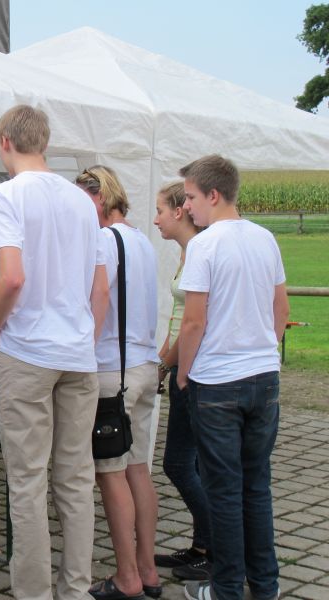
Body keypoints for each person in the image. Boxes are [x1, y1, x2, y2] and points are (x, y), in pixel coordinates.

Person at [0, 104, 109, 600]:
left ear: (5, 142)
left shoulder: (5, 195)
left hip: (28, 351)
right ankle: (76, 591)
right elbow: (99, 289)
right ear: (45, 143)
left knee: (28, 481)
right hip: (77, 353)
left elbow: (12, 277)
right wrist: (84, 339)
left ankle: (34, 594)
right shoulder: (82, 201)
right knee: (76, 479)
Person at [177, 155, 288, 600]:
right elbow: (281, 309)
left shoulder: (205, 245)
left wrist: (183, 372)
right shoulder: (266, 238)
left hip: (218, 383)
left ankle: (225, 590)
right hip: (264, 378)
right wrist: (262, 350)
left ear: (214, 194)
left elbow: (193, 322)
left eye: (190, 197)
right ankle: (265, 586)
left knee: (224, 492)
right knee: (256, 486)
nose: (186, 207)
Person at [75, 166, 161, 600]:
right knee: (138, 469)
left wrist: (84, 349)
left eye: (82, 201)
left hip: (113, 371)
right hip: (144, 365)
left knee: (110, 474)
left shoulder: (103, 240)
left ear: (100, 197)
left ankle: (127, 576)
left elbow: (100, 295)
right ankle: (148, 570)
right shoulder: (142, 239)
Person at [152, 182, 212, 581]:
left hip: (192, 371)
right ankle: (202, 547)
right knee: (190, 464)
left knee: (177, 463)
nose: (156, 219)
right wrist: (162, 359)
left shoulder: (198, 253)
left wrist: (167, 365)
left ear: (178, 212)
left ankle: (217, 548)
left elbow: (193, 323)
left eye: (160, 210)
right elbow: (178, 319)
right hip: (182, 366)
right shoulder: (188, 252)